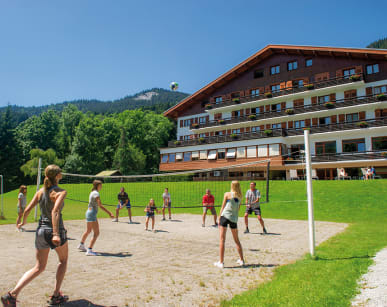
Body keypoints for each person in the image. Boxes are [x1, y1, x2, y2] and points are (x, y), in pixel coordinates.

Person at [1, 165, 69, 306]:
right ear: (57, 176)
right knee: (63, 261)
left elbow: (27, 210)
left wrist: (22, 221)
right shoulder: (60, 192)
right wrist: (56, 234)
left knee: (39, 267)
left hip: (41, 231)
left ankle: (12, 295)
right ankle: (56, 295)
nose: (61, 174)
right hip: (54, 230)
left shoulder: (40, 192)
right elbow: (55, 212)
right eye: (60, 172)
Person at [78, 180, 114, 256]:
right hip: (92, 213)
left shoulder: (92, 192)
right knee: (96, 233)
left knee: (88, 230)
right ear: (97, 185)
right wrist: (109, 213)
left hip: (88, 212)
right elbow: (100, 205)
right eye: (100, 185)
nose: (101, 187)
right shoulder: (96, 193)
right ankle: (89, 250)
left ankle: (81, 245)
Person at [214, 181, 245, 269]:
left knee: (222, 240)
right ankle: (242, 260)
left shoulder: (227, 194)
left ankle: (221, 262)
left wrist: (219, 217)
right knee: (237, 240)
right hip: (234, 219)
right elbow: (238, 209)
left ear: (232, 186)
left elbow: (223, 206)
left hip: (225, 216)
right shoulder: (240, 197)